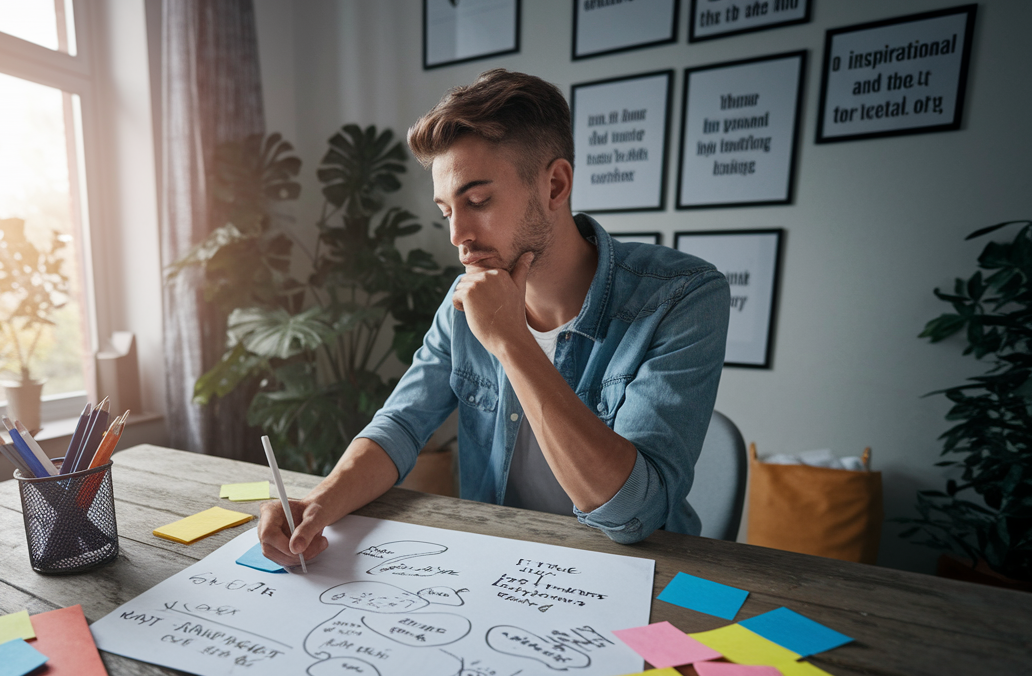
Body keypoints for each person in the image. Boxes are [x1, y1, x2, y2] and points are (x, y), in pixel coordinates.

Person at [259, 69, 729, 566]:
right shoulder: (466, 297)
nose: (457, 236)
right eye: (446, 211)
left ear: (555, 185)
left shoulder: (682, 297)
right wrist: (319, 502)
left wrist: (510, 340)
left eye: (478, 201)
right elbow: (400, 425)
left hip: (643, 575)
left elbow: (635, 515)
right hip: (504, 567)